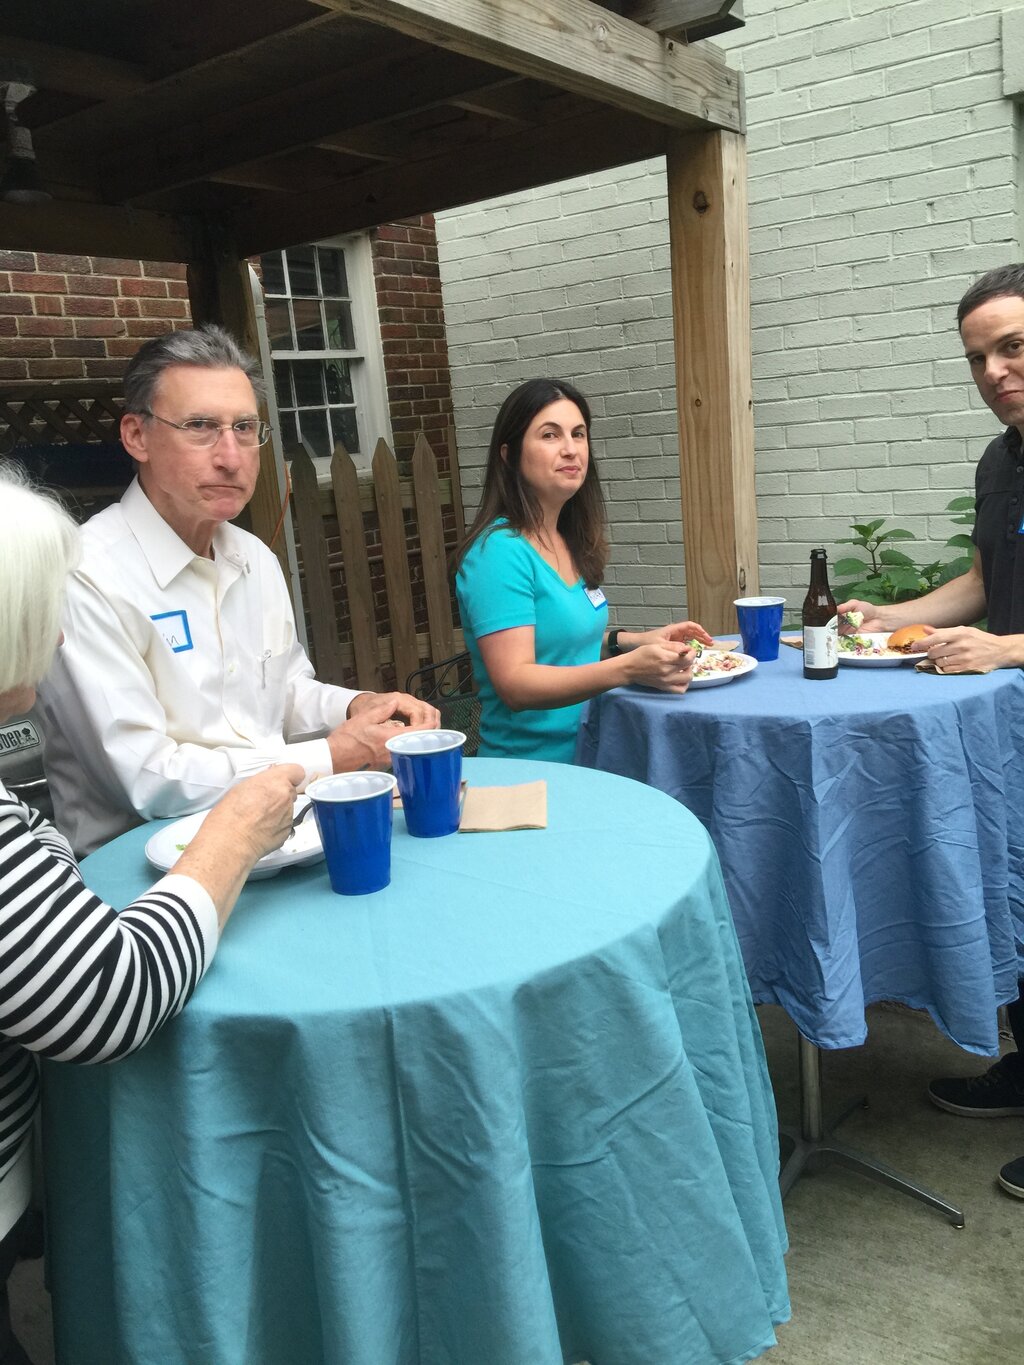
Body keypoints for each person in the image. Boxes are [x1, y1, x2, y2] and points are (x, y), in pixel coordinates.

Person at [0, 463, 306, 1364]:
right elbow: (110, 994)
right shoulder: (111, 568)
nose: (59, 634)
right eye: (41, 613)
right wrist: (232, 836)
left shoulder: (254, 560)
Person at [35, 325, 439, 857]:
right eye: (200, 426)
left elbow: (284, 692)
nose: (230, 456)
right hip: (136, 875)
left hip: (276, 845)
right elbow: (145, 777)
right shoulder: (85, 574)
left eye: (244, 428)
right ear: (136, 436)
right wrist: (332, 755)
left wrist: (358, 707)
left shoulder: (253, 558)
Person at [839, 263, 1024, 1201]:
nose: (994, 372)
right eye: (977, 357)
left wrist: (1006, 649)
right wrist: (892, 616)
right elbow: (984, 583)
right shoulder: (999, 461)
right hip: (1008, 726)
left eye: (1012, 347)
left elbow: (999, 628)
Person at [454, 378, 713, 762]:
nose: (570, 449)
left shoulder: (565, 539)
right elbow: (516, 684)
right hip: (536, 769)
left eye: (578, 434)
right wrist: (629, 669)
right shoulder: (498, 553)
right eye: (550, 435)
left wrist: (632, 641)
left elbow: (560, 642)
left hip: (595, 749)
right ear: (509, 455)